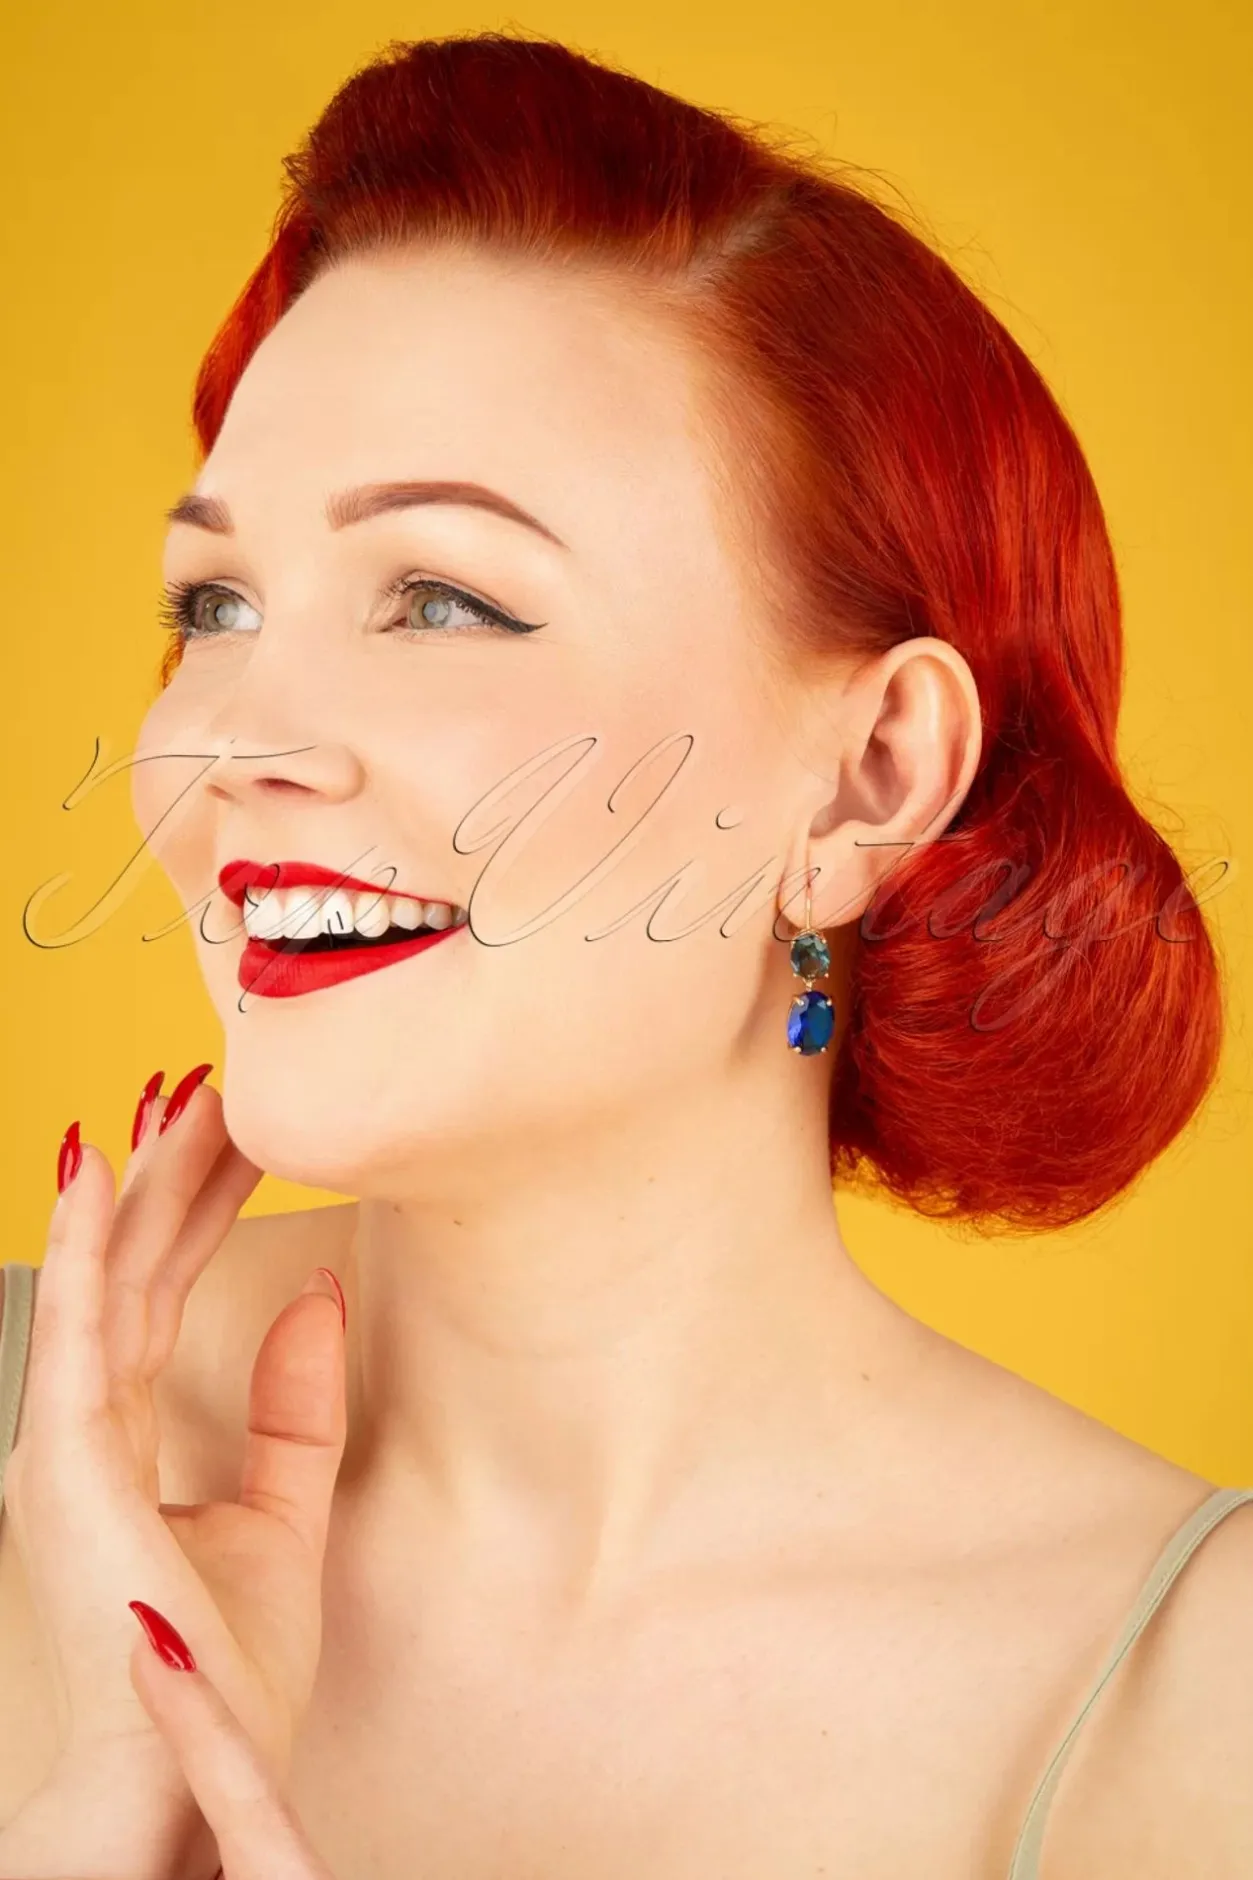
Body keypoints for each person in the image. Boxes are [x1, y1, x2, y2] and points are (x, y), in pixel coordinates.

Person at [0, 27, 1249, 1880]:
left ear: (873, 775)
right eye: (218, 601)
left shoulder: (1192, 1697)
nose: (233, 740)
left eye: (440, 598)